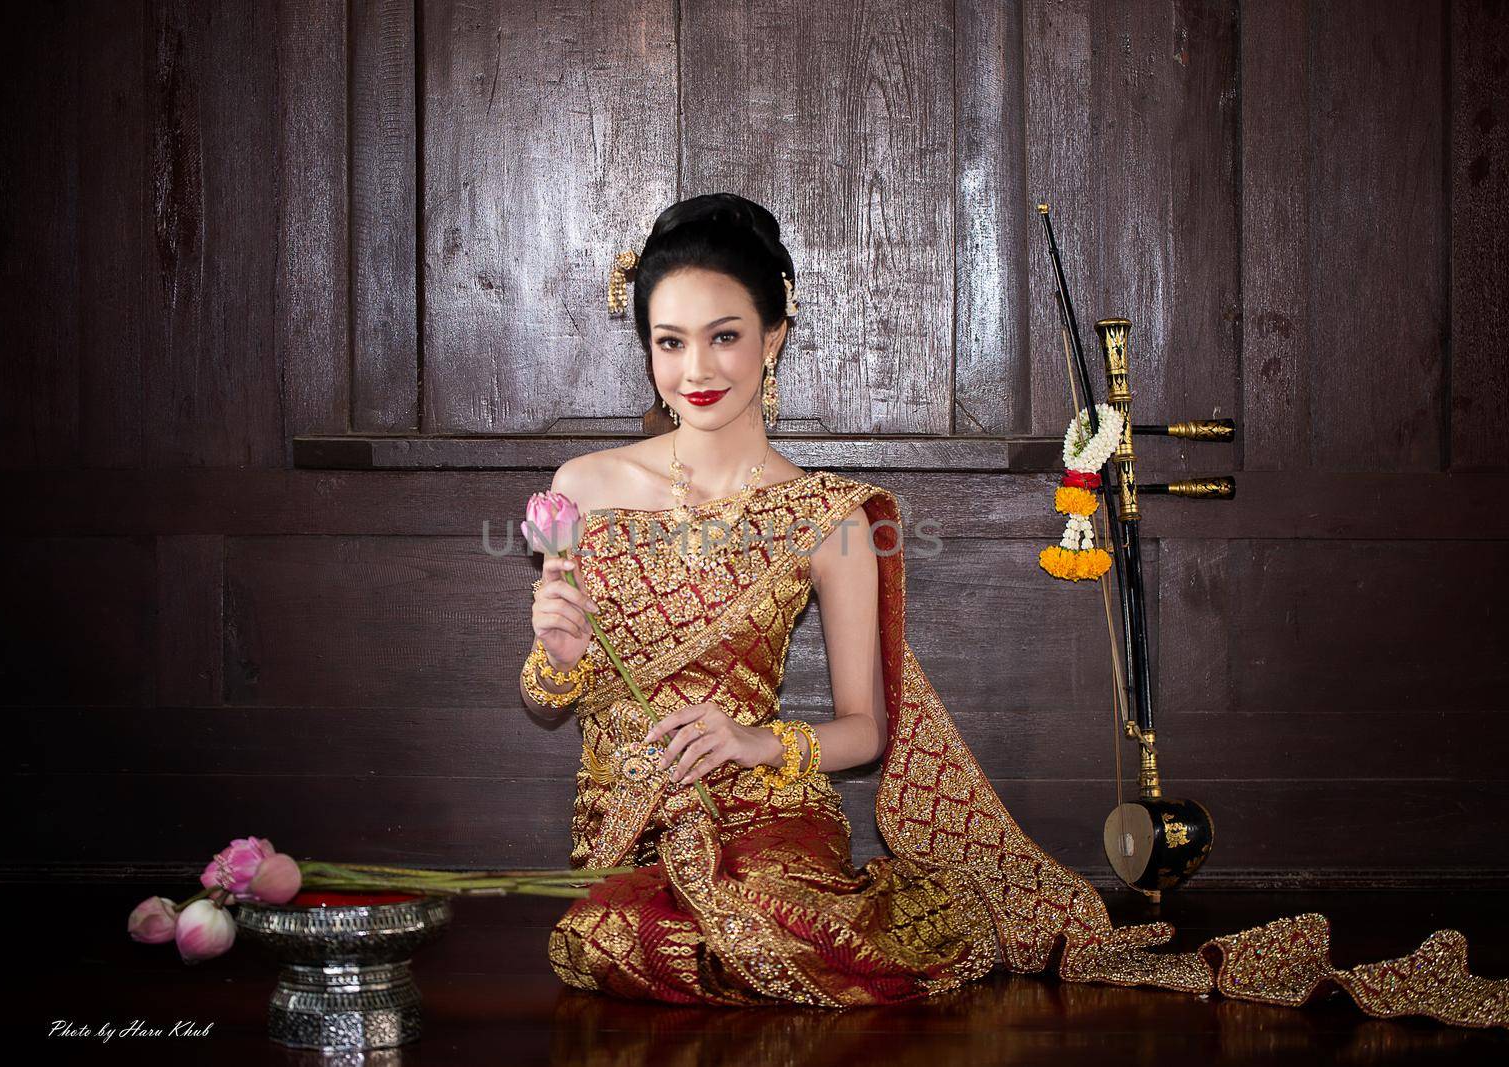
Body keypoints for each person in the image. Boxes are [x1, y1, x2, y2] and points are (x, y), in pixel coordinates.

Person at [519, 193, 1505, 1025]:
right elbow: (546, 694)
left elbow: (864, 732)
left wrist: (749, 742)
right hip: (629, 820)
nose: (698, 367)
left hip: (767, 812)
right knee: (598, 935)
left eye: (725, 334)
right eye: (671, 340)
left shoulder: (830, 516)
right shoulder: (587, 484)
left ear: (774, 335)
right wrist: (555, 651)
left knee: (765, 916)